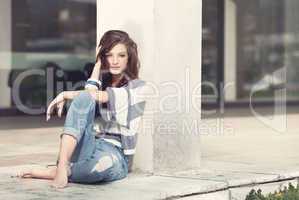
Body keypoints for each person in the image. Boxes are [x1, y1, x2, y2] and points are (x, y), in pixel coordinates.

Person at [16, 30, 147, 189]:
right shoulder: (101, 83)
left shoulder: (138, 88)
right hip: (88, 143)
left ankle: (56, 171)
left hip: (114, 154)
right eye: (109, 55)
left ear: (129, 58)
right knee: (84, 97)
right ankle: (63, 164)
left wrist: (67, 94)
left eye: (121, 55)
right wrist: (98, 65)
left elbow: (102, 96)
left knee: (99, 168)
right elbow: (88, 96)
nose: (115, 61)